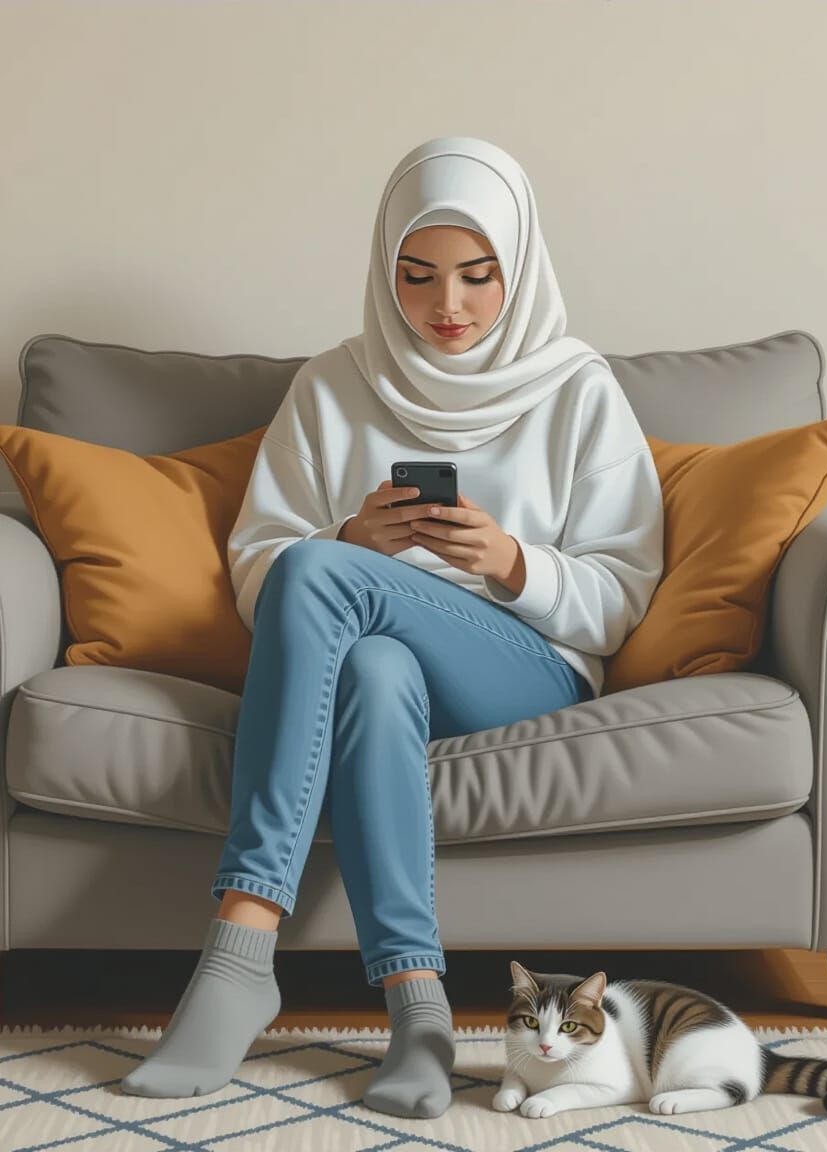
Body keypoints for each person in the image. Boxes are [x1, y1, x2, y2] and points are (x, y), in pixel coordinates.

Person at [120, 135, 665, 1119]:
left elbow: (622, 595)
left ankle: (240, 952)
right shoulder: (334, 383)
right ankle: (418, 1011)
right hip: (375, 672)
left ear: (517, 268)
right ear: (385, 272)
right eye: (415, 277)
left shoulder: (577, 388)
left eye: (473, 276)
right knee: (368, 659)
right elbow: (256, 564)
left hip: (523, 662)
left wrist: (510, 564)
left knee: (322, 571)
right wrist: (349, 536)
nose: (443, 307)